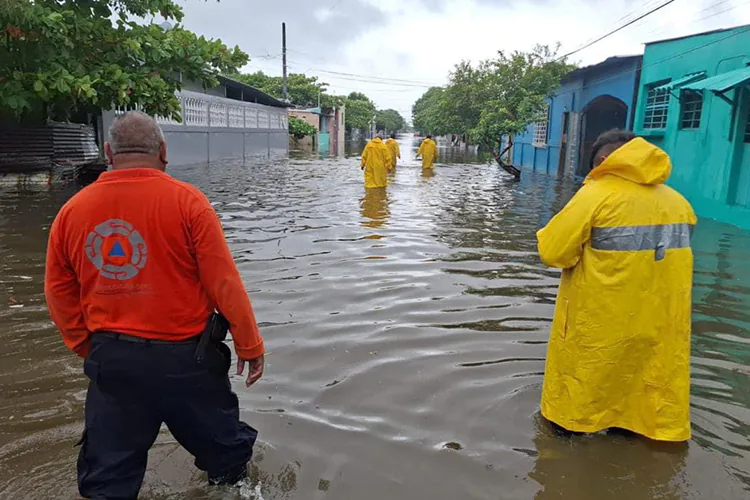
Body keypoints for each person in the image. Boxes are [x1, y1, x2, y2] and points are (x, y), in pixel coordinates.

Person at [44, 111, 265, 498]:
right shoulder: (188, 203)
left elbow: (58, 291)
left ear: (109, 152)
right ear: (163, 151)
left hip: (114, 363)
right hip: (189, 364)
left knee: (107, 479)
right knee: (228, 461)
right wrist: (249, 344)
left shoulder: (72, 212)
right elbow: (223, 282)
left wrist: (89, 347)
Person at [536, 130, 696, 442]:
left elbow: (553, 253)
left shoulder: (595, 195)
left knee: (575, 410)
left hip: (600, 322)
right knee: (641, 399)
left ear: (605, 160)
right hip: (659, 322)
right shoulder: (679, 203)